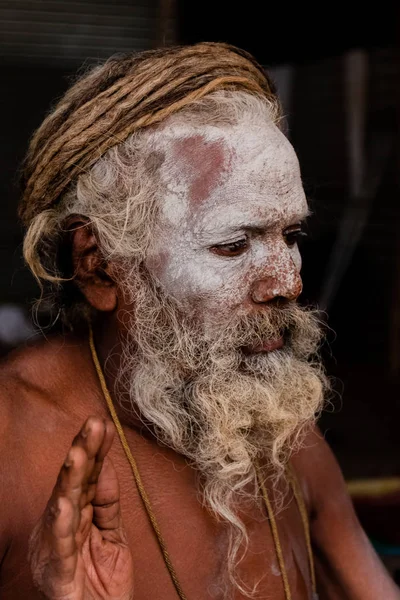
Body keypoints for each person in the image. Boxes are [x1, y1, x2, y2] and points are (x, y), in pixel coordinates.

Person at [0, 42, 398, 600]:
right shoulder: (13, 442)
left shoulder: (286, 435)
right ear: (99, 267)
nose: (289, 283)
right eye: (234, 245)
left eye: (292, 236)